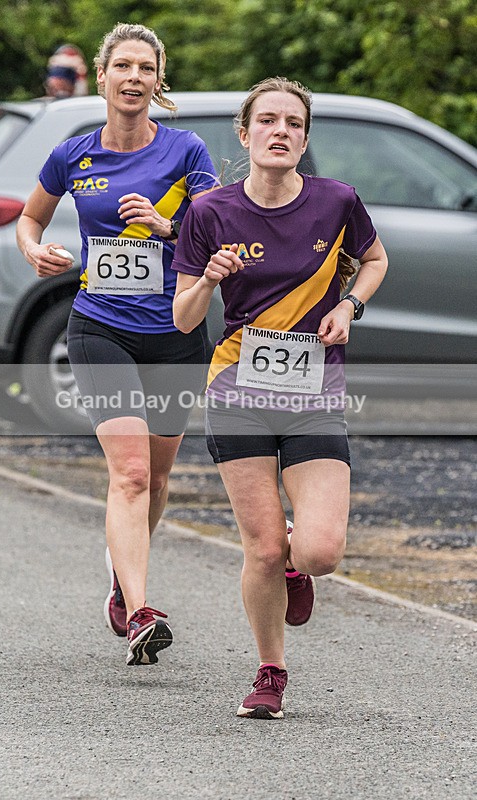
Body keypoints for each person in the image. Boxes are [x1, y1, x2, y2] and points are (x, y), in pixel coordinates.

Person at [172, 77, 388, 717]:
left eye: (293, 123)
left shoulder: (336, 202)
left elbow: (375, 261)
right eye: (267, 121)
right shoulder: (210, 213)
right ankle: (271, 671)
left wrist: (350, 304)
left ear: (304, 137)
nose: (280, 132)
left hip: (313, 391)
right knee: (264, 549)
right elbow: (185, 319)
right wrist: (208, 279)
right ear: (245, 134)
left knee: (318, 551)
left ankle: (298, 565)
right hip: (237, 389)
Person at [17, 22, 218, 666]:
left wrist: (167, 224)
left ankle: (118, 577)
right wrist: (34, 250)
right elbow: (30, 216)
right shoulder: (73, 154)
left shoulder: (186, 150)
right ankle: (138, 609)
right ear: (101, 76)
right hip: (99, 326)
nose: (133, 78)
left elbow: (219, 226)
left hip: (176, 332)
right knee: (129, 473)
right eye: (122, 66)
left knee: (156, 478)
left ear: (160, 82)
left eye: (146, 68)